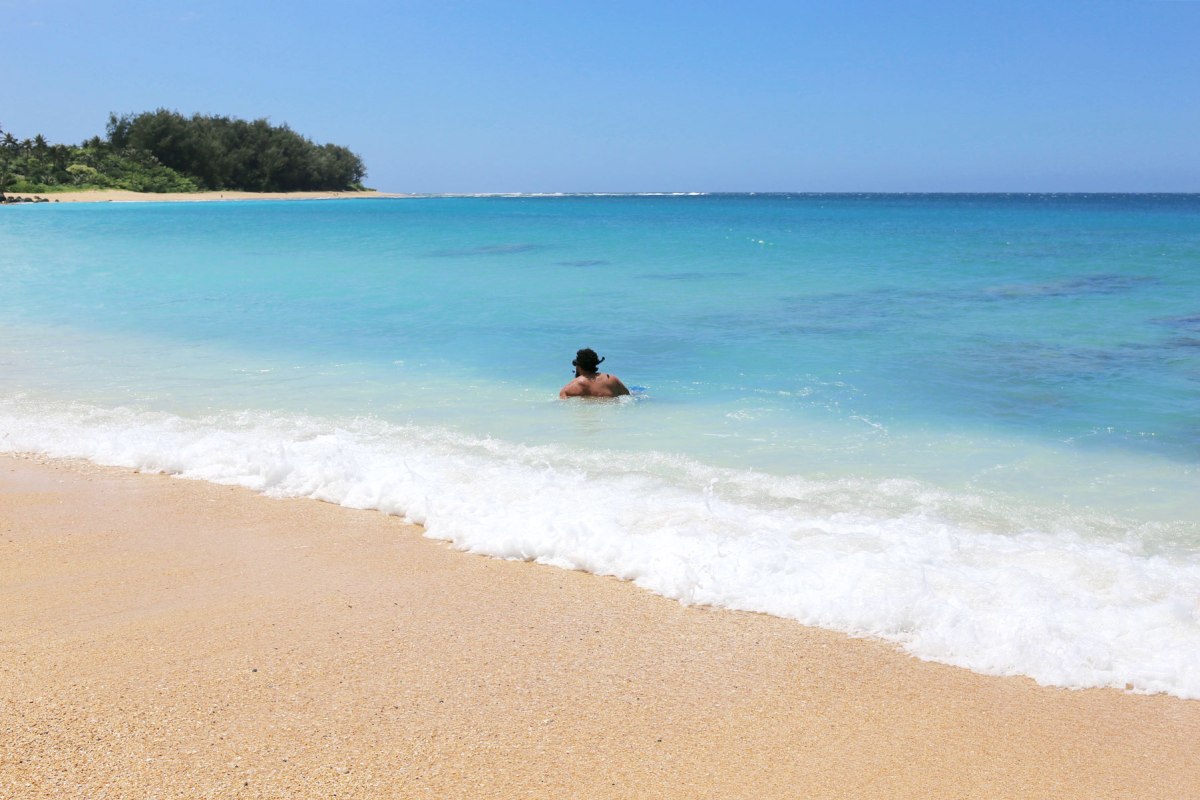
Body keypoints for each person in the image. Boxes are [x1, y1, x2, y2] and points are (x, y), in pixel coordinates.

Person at [559, 348, 630, 398]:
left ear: (578, 366)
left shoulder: (571, 387)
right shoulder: (612, 380)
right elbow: (628, 396)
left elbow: (563, 402)